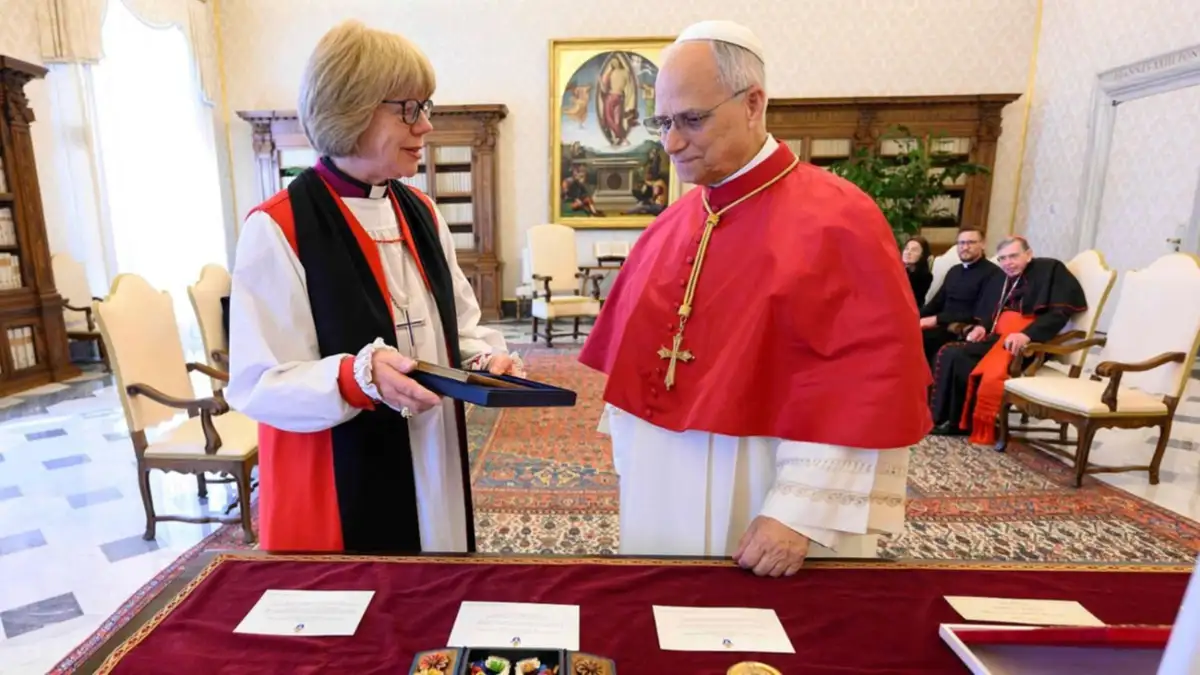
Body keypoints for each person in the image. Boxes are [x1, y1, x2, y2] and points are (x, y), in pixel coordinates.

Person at [577, 20, 931, 577]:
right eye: (662, 122)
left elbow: (863, 386)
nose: (671, 143)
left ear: (753, 103)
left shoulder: (839, 218)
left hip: (762, 489)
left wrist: (798, 512)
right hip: (662, 483)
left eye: (691, 119)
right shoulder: (669, 224)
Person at [225, 20, 522, 554]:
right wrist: (356, 377)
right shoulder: (278, 227)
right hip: (340, 476)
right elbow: (258, 383)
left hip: (432, 452)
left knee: (438, 573)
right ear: (350, 109)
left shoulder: (422, 211)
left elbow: (458, 326)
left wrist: (483, 359)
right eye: (408, 108)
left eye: (425, 106)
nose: (425, 125)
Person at [929, 236, 1086, 446]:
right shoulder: (1003, 278)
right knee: (949, 352)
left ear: (1028, 254)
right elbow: (994, 312)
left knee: (959, 356)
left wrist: (1027, 334)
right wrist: (982, 327)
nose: (1008, 263)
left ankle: (962, 422)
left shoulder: (1050, 270)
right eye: (1002, 258)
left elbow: (1058, 314)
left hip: (1029, 343)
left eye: (1013, 256)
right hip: (999, 337)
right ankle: (944, 418)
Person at [918, 226, 1001, 367]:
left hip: (962, 329)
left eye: (971, 242)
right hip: (941, 325)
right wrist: (914, 317)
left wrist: (936, 319)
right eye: (961, 243)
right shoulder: (954, 271)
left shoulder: (993, 273)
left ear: (983, 244)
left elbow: (978, 312)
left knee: (923, 340)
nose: (965, 247)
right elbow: (936, 303)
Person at [902, 235, 933, 307]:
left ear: (922, 255)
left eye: (914, 250)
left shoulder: (925, 277)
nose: (908, 252)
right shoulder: (898, 272)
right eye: (906, 248)